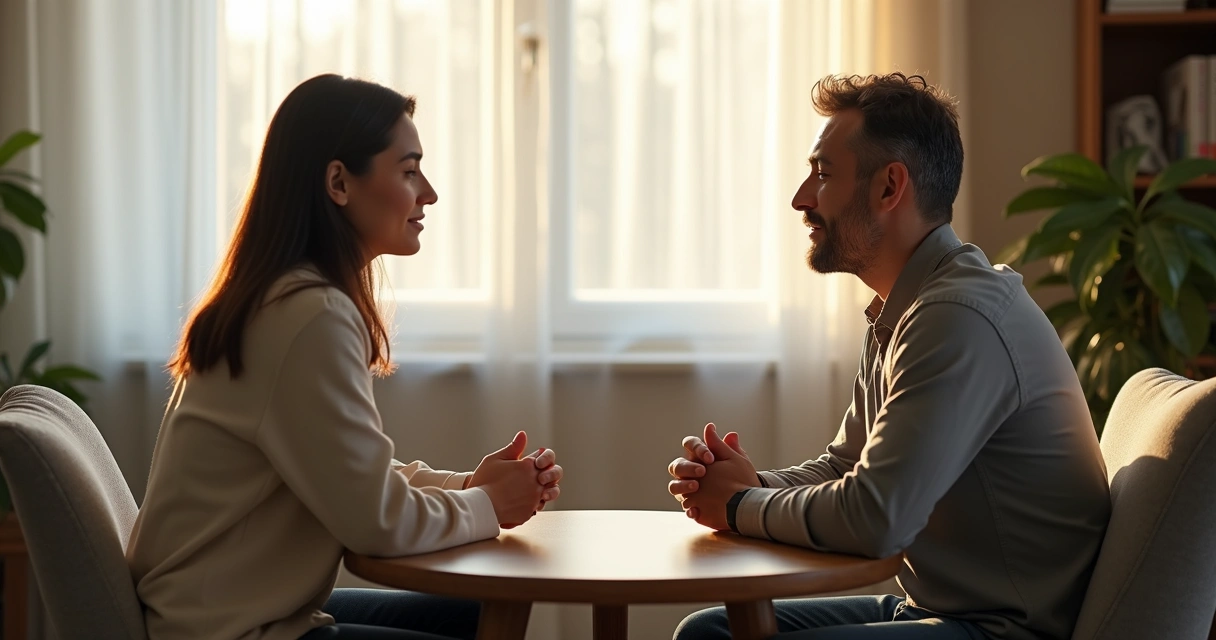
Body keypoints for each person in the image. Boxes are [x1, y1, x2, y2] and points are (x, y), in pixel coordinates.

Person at [668, 73, 1110, 640]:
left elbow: (877, 519)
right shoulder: (903, 307)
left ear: (888, 188)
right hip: (937, 611)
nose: (801, 198)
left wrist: (738, 504)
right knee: (709, 632)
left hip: (1001, 629)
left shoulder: (957, 317)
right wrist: (751, 483)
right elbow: (846, 467)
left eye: (823, 174)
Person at [126, 74, 563, 640]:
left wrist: (466, 488)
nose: (428, 192)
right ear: (339, 182)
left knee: (480, 612)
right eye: (408, 171)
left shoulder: (282, 298)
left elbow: (347, 476)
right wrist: (489, 505)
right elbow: (375, 523)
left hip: (215, 613)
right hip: (231, 630)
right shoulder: (309, 316)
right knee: (488, 617)